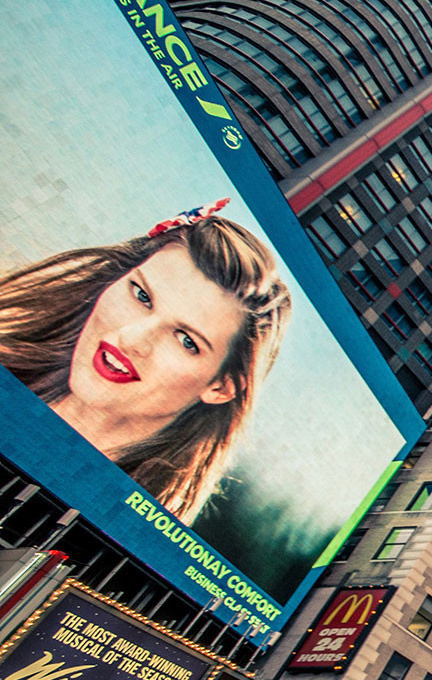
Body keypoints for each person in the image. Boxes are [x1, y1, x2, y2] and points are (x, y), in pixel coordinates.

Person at [0, 201, 290, 524]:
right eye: (141, 296)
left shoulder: (128, 525)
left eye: (186, 340)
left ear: (221, 387)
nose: (132, 339)